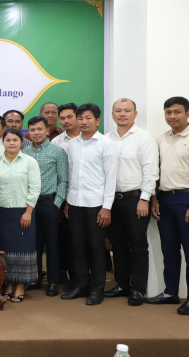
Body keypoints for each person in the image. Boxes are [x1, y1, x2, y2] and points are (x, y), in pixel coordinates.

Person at [148, 97, 189, 315]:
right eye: (168, 112)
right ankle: (170, 292)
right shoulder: (162, 138)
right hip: (165, 199)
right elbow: (157, 173)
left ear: (187, 114)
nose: (172, 116)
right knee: (169, 249)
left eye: (177, 112)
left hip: (188, 199)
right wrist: (155, 199)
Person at [60, 103, 117, 306]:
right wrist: (68, 201)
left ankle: (97, 289)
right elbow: (71, 174)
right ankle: (81, 285)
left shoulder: (106, 144)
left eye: (88, 118)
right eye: (81, 118)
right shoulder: (73, 144)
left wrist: (106, 207)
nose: (84, 122)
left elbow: (111, 178)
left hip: (96, 204)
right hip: (75, 202)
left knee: (96, 248)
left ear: (98, 120)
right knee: (78, 246)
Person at [104, 99, 159, 306]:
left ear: (135, 114)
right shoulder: (107, 139)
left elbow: (151, 171)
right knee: (117, 245)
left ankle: (138, 289)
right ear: (112, 114)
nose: (122, 114)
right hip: (113, 200)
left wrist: (145, 199)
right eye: (118, 110)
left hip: (135, 199)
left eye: (127, 110)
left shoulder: (144, 138)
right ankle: (122, 284)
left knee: (137, 245)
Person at [0, 128, 41, 303]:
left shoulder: (29, 162)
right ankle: (9, 283)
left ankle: (20, 285)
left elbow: (35, 189)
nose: (11, 143)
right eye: (8, 140)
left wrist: (28, 212)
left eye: (15, 140)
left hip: (23, 212)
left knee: (23, 249)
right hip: (2, 212)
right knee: (6, 250)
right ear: (3, 142)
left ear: (21, 142)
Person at [22, 116, 69, 297]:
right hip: (29, 205)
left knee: (52, 245)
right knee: (33, 244)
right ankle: (34, 279)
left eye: (39, 129)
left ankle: (52, 281)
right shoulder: (24, 153)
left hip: (49, 202)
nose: (36, 133)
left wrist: (57, 204)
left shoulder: (57, 152)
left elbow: (63, 180)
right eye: (32, 130)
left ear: (47, 131)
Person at [51, 102, 79, 287]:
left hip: (85, 197)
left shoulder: (88, 139)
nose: (66, 121)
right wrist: (62, 200)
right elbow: (57, 174)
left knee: (81, 241)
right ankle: (65, 275)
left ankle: (81, 278)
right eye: (62, 118)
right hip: (63, 196)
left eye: (70, 117)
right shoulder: (57, 142)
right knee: (64, 239)